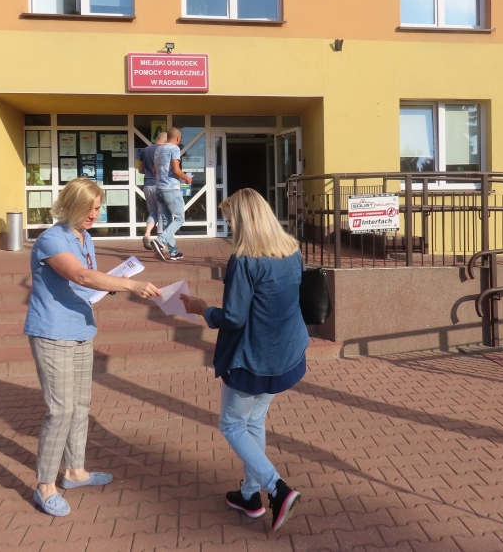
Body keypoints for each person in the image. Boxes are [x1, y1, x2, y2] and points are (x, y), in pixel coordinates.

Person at [24, 178, 162, 517]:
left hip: (81, 329)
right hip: (53, 333)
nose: (94, 214)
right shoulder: (51, 239)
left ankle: (75, 471)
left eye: (98, 208)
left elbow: (89, 281)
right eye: (89, 208)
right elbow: (81, 276)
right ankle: (45, 486)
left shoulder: (84, 238)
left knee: (80, 405)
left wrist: (112, 283)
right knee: (60, 410)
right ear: (71, 205)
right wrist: (131, 286)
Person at [179, 188, 308, 532]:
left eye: (230, 220)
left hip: (252, 358)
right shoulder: (291, 249)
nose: (229, 226)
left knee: (232, 425)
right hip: (285, 353)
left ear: (245, 221)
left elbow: (234, 317)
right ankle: (250, 495)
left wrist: (202, 309)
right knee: (253, 424)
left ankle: (277, 488)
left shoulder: (245, 259)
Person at [151, 126, 192, 262]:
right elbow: (175, 169)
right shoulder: (175, 149)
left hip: (159, 188)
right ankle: (159, 242)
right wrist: (186, 178)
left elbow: (154, 170)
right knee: (180, 219)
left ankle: (174, 252)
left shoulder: (158, 149)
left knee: (167, 221)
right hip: (171, 189)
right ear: (178, 138)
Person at [139, 130, 168, 250]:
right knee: (162, 213)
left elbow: (140, 170)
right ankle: (161, 243)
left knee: (153, 212)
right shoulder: (163, 150)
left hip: (147, 185)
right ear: (166, 140)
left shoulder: (145, 150)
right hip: (159, 185)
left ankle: (147, 234)